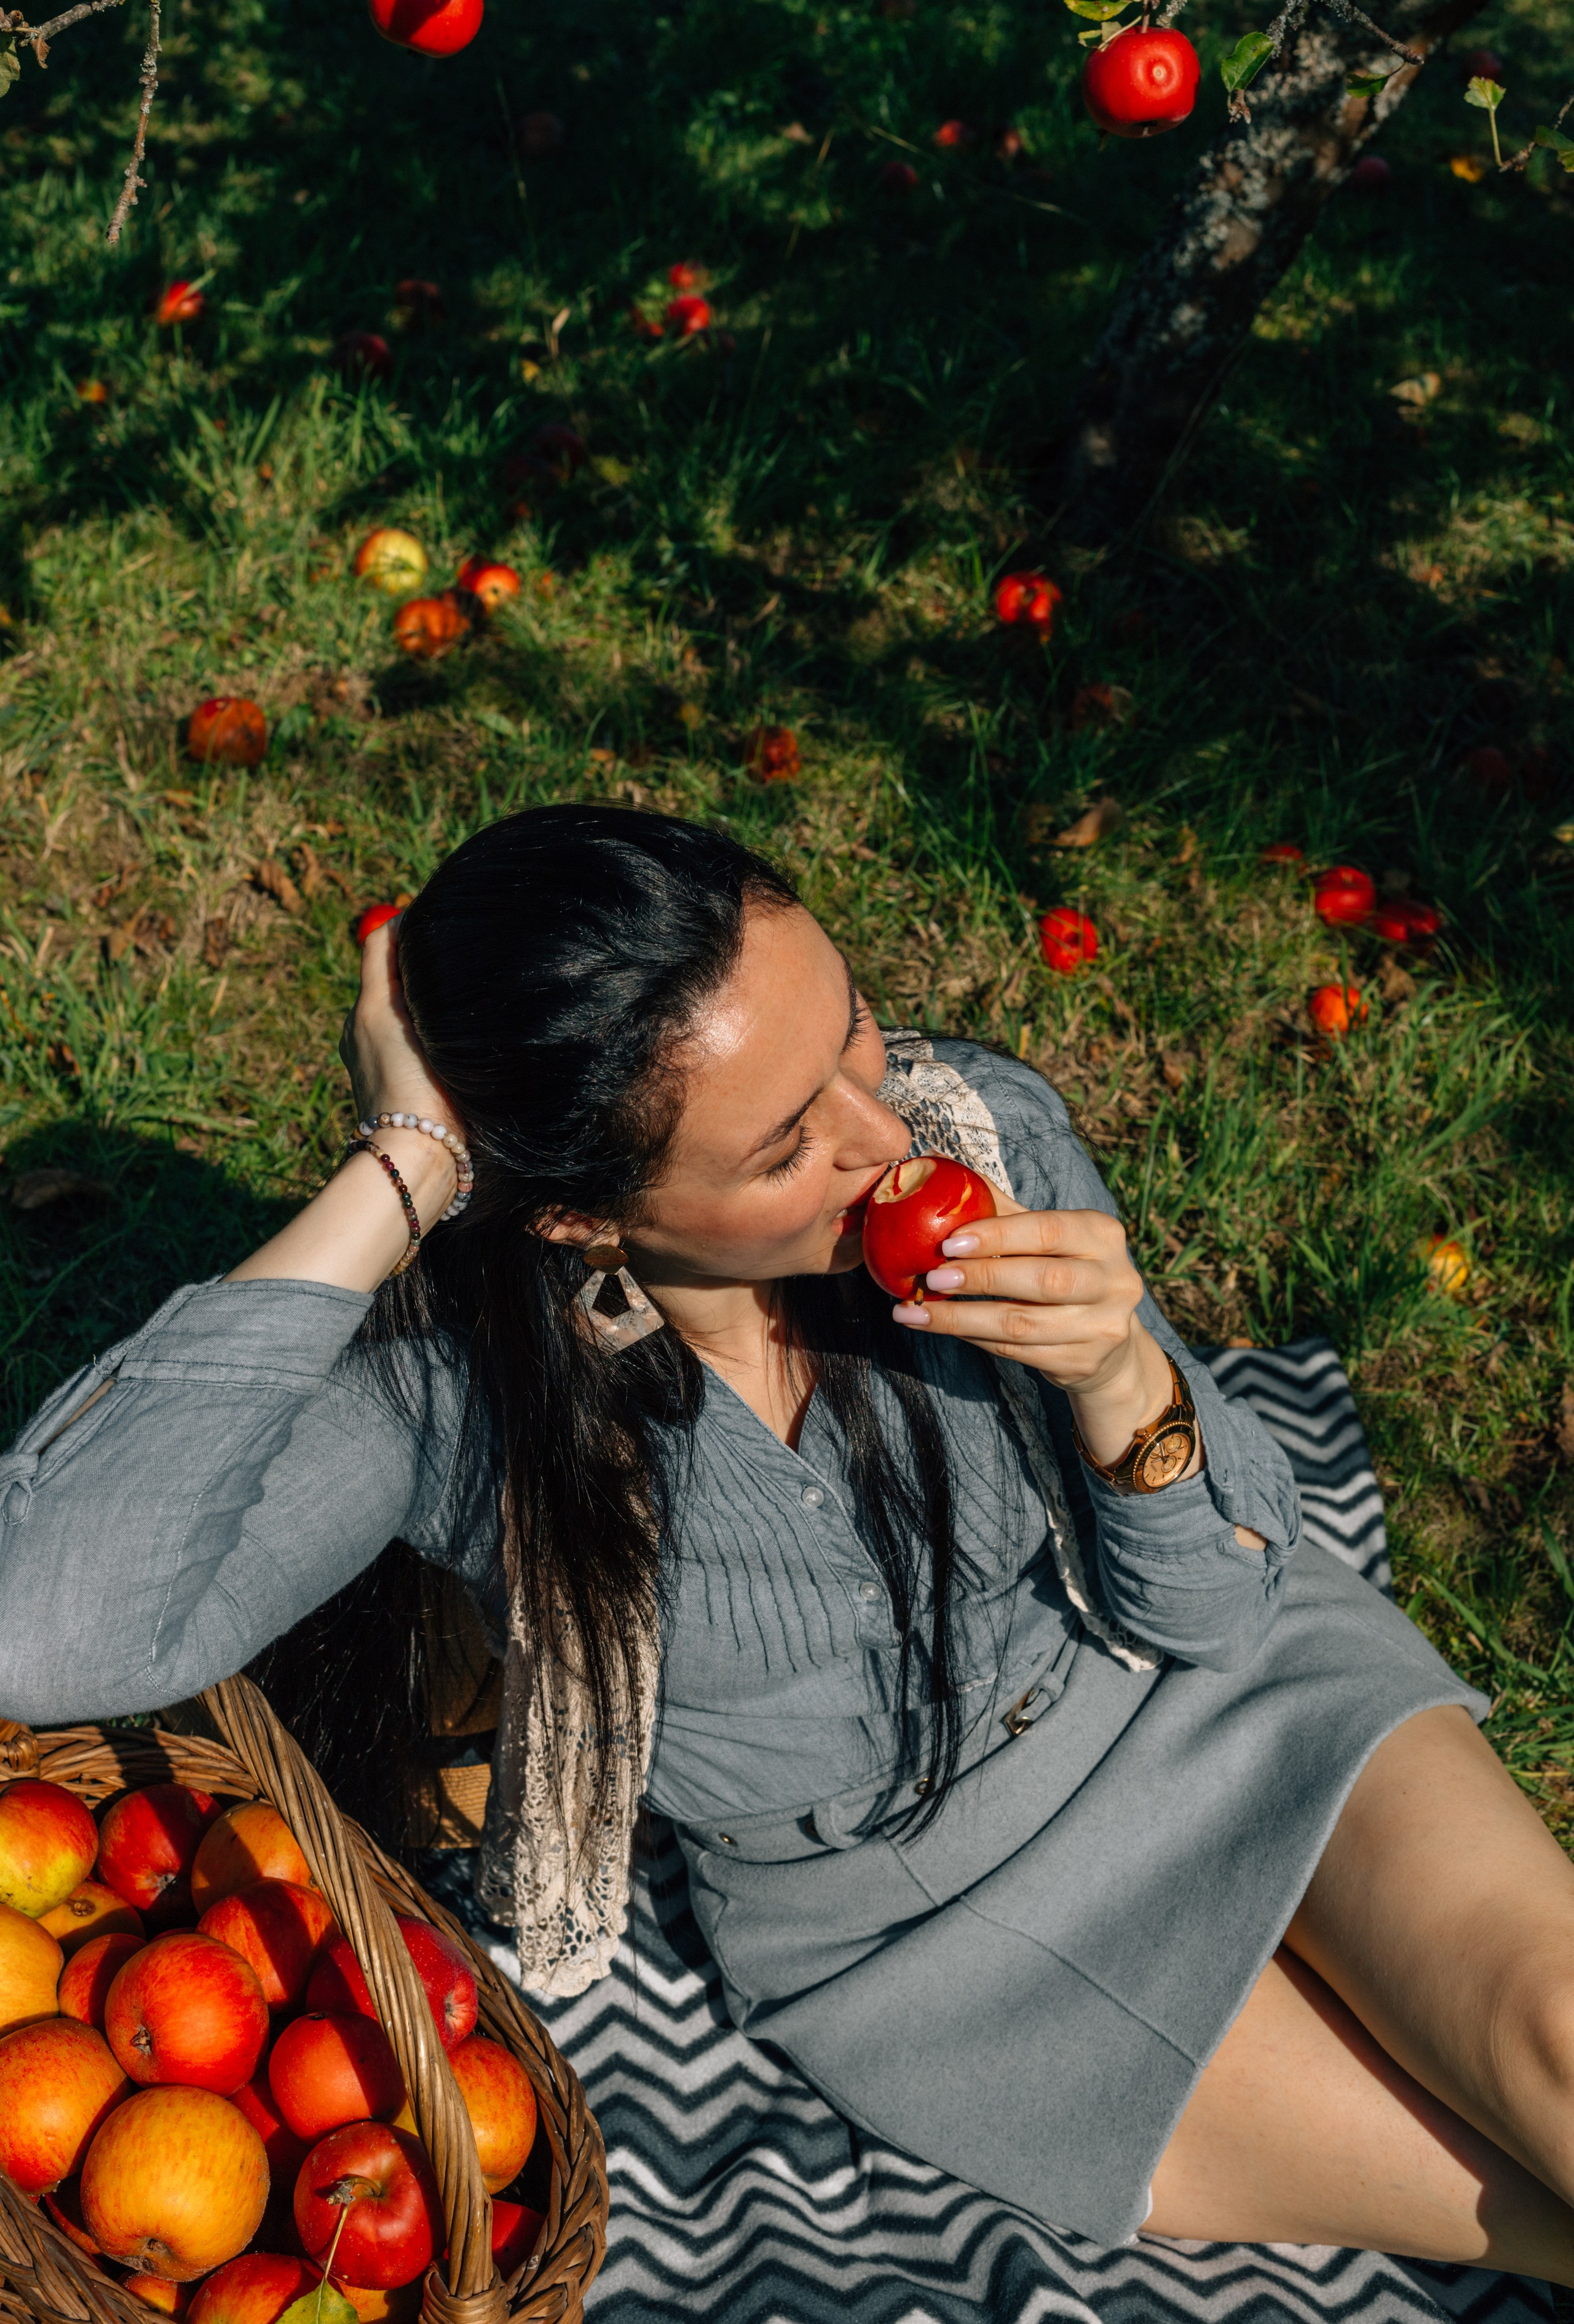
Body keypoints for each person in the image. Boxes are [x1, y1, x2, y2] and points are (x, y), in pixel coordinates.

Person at [3, 803, 1574, 2281]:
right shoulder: (453, 1392)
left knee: (1554, 2044)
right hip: (927, 1943)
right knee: (1523, 2202)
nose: (884, 1135)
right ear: (576, 1215)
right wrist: (403, 1169)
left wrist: (1117, 1374)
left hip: (1190, 1686)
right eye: (779, 1151)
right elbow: (47, 1627)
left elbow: (1218, 1607)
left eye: (851, 1035)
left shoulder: (984, 1130)